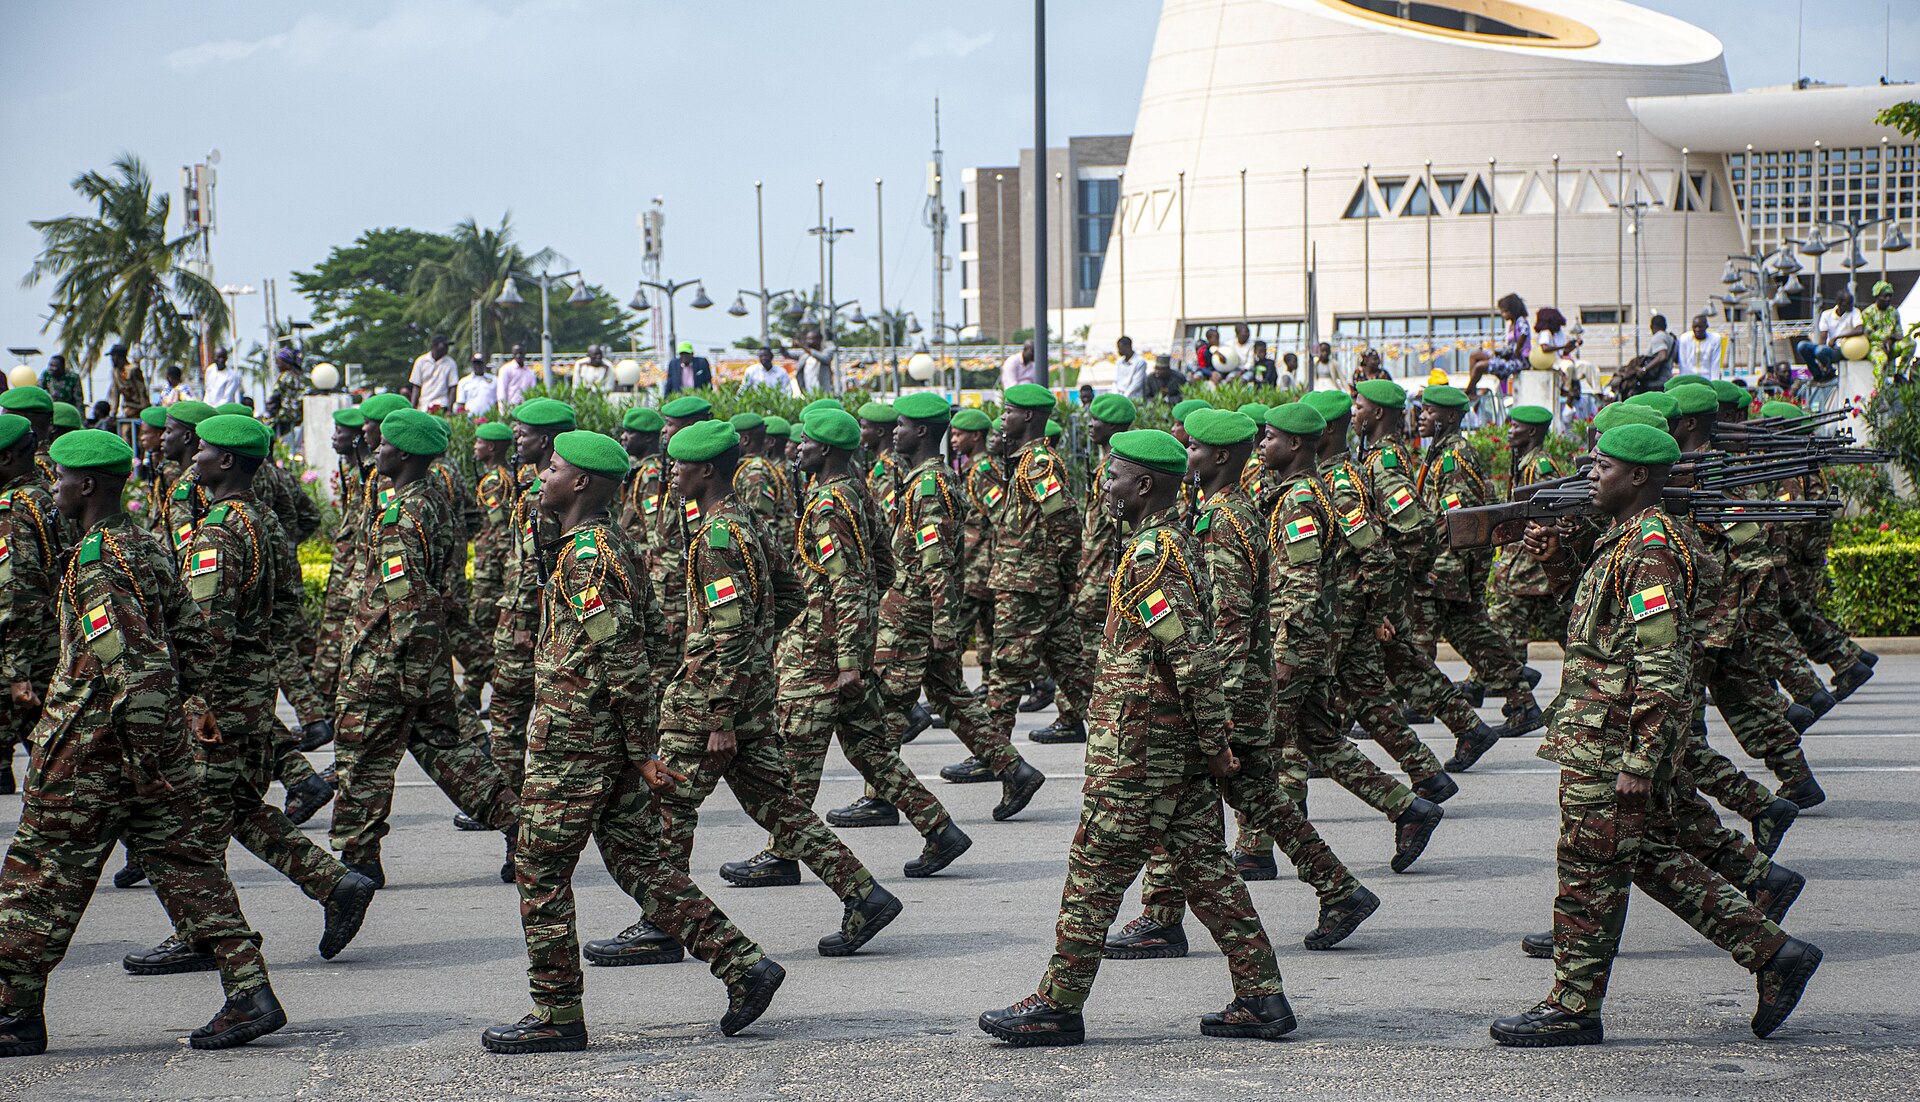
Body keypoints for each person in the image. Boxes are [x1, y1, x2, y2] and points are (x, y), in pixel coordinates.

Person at [1489, 422, 1821, 1048]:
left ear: (1639, 477)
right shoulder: (1625, 542)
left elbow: (1661, 667)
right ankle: (1772, 953)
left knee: (1590, 867)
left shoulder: (1652, 549)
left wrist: (1640, 762)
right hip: (1602, 733)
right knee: (1643, 858)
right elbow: (1602, 628)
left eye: (1604, 466)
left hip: (1614, 740)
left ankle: (1573, 1006)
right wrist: (1558, 562)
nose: (1592, 473)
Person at [978, 428, 1294, 1048]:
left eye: (1116, 475)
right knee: (1208, 873)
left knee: (1093, 872)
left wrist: (1212, 740)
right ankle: (1263, 998)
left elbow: (1189, 656)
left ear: (1145, 485)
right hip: (1167, 745)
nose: (1106, 483)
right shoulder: (1171, 543)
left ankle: (1057, 1005)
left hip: (1145, 748)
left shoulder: (1153, 553)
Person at [482, 429, 784, 1054]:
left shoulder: (589, 558)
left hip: (576, 745)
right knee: (643, 866)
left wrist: (642, 751)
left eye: (555, 469)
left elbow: (622, 658)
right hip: (601, 742)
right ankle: (744, 964)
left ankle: (557, 1015)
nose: (543, 476)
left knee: (539, 870)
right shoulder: (591, 545)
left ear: (582, 483)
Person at [0, 429, 287, 1058]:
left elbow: (136, 669)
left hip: (94, 752)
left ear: (89, 486)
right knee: (189, 869)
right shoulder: (144, 546)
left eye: (62, 480)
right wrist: (175, 738)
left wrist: (147, 755)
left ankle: (14, 1014)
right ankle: (249, 992)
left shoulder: (101, 560)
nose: (54, 489)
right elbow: (192, 643)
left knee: (34, 878)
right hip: (142, 749)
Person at [581, 418, 905, 966]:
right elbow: (789, 592)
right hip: (747, 692)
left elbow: (729, 629)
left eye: (680, 465)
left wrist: (722, 712)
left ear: (705, 470)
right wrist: (756, 660)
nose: (672, 473)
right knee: (780, 807)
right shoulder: (742, 522)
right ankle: (864, 895)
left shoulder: (715, 538)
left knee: (665, 809)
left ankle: (663, 925)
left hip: (712, 700)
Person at [1107, 406, 1380, 961]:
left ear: (1219, 457)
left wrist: (1217, 710)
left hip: (1231, 688)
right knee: (1248, 798)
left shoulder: (1226, 521)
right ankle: (1339, 889)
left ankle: (1164, 917)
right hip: (1237, 686)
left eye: (1195, 450)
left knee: (1186, 795)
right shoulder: (1224, 512)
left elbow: (1226, 621)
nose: (1188, 457)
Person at [120, 414, 375, 977]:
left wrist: (195, 703)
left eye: (205, 448)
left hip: (219, 699)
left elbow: (205, 630)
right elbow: (284, 616)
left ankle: (206, 933)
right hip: (250, 689)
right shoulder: (264, 522)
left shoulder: (217, 531)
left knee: (187, 824)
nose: (195, 456)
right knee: (231, 808)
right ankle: (334, 883)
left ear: (228, 461)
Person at [726, 407, 972, 885]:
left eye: (807, 443)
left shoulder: (829, 504)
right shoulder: (854, 492)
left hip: (820, 651)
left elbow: (849, 581)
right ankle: (939, 828)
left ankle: (782, 852)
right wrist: (860, 641)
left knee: (794, 752)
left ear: (826, 450)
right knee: (871, 751)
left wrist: (844, 657)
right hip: (842, 645)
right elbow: (882, 564)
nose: (798, 448)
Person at [330, 407, 521, 889]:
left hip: (389, 661)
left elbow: (406, 599)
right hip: (426, 658)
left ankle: (356, 864)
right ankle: (522, 826)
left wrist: (407, 673)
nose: (377, 450)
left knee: (362, 760)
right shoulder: (434, 499)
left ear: (407, 453)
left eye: (385, 444)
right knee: (454, 757)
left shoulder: (399, 516)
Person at [869, 394, 1046, 816]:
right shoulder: (924, 480)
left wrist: (943, 627)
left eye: (903, 425)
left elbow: (936, 563)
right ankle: (1014, 770)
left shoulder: (929, 486)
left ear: (923, 432)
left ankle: (883, 801)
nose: (896, 431)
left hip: (914, 619)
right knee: (950, 698)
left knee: (887, 706)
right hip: (918, 615)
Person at [1412, 384, 1543, 754]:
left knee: (1419, 642)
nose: (1422, 416)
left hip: (1445, 567)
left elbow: (1458, 519)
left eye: (1431, 411)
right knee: (1475, 638)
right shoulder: (1442, 452)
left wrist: (1436, 563)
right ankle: (1521, 701)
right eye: (1422, 410)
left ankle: (1439, 712)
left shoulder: (1454, 456)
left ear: (1451, 417)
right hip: (1446, 566)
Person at [982, 384, 1095, 748]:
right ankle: (1122, 738)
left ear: (1028, 416)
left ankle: (994, 756)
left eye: (1009, 412)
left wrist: (1063, 575)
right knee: (1071, 669)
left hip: (1027, 586)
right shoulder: (1026, 462)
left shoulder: (1038, 465)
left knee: (1006, 670)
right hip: (1034, 583)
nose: (1003, 418)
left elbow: (1064, 520)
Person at [0, 414, 62, 798]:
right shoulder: (46, 494)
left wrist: (15, 670)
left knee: (55, 748)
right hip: (52, 636)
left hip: (29, 646)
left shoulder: (13, 511)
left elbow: (16, 594)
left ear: (6, 459)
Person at [1468, 294, 1530, 395]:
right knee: (1474, 355)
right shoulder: (1511, 325)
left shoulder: (1521, 321)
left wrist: (1518, 349)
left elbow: (1524, 332)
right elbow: (1509, 348)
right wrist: (1497, 352)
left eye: (1505, 312)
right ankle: (1473, 389)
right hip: (1507, 357)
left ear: (1512, 310)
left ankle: (1469, 391)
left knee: (1480, 366)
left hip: (1519, 361)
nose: (1503, 314)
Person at [1862, 280, 1912, 385]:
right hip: (1874, 347)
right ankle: (1879, 392)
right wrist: (1887, 337)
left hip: (1891, 345)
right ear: (1877, 296)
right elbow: (1869, 334)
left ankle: (1900, 374)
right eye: (1885, 296)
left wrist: (1890, 340)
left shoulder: (1893, 312)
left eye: (1890, 296)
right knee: (1882, 360)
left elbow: (1899, 334)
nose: (1888, 299)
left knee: (1910, 343)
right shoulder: (1868, 313)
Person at [406, 335, 457, 412]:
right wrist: (413, 407)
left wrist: (450, 409)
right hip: (424, 404)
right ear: (435, 346)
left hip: (442, 405)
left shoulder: (450, 363)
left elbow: (452, 387)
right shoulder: (421, 361)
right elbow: (416, 386)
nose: (447, 349)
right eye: (444, 346)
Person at [108, 343, 149, 419]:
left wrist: (145, 412)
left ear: (120, 357)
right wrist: (113, 412)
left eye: (113, 356)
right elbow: (115, 392)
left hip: (139, 408)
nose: (112, 359)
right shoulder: (115, 372)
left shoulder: (133, 369)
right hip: (127, 408)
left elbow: (141, 390)